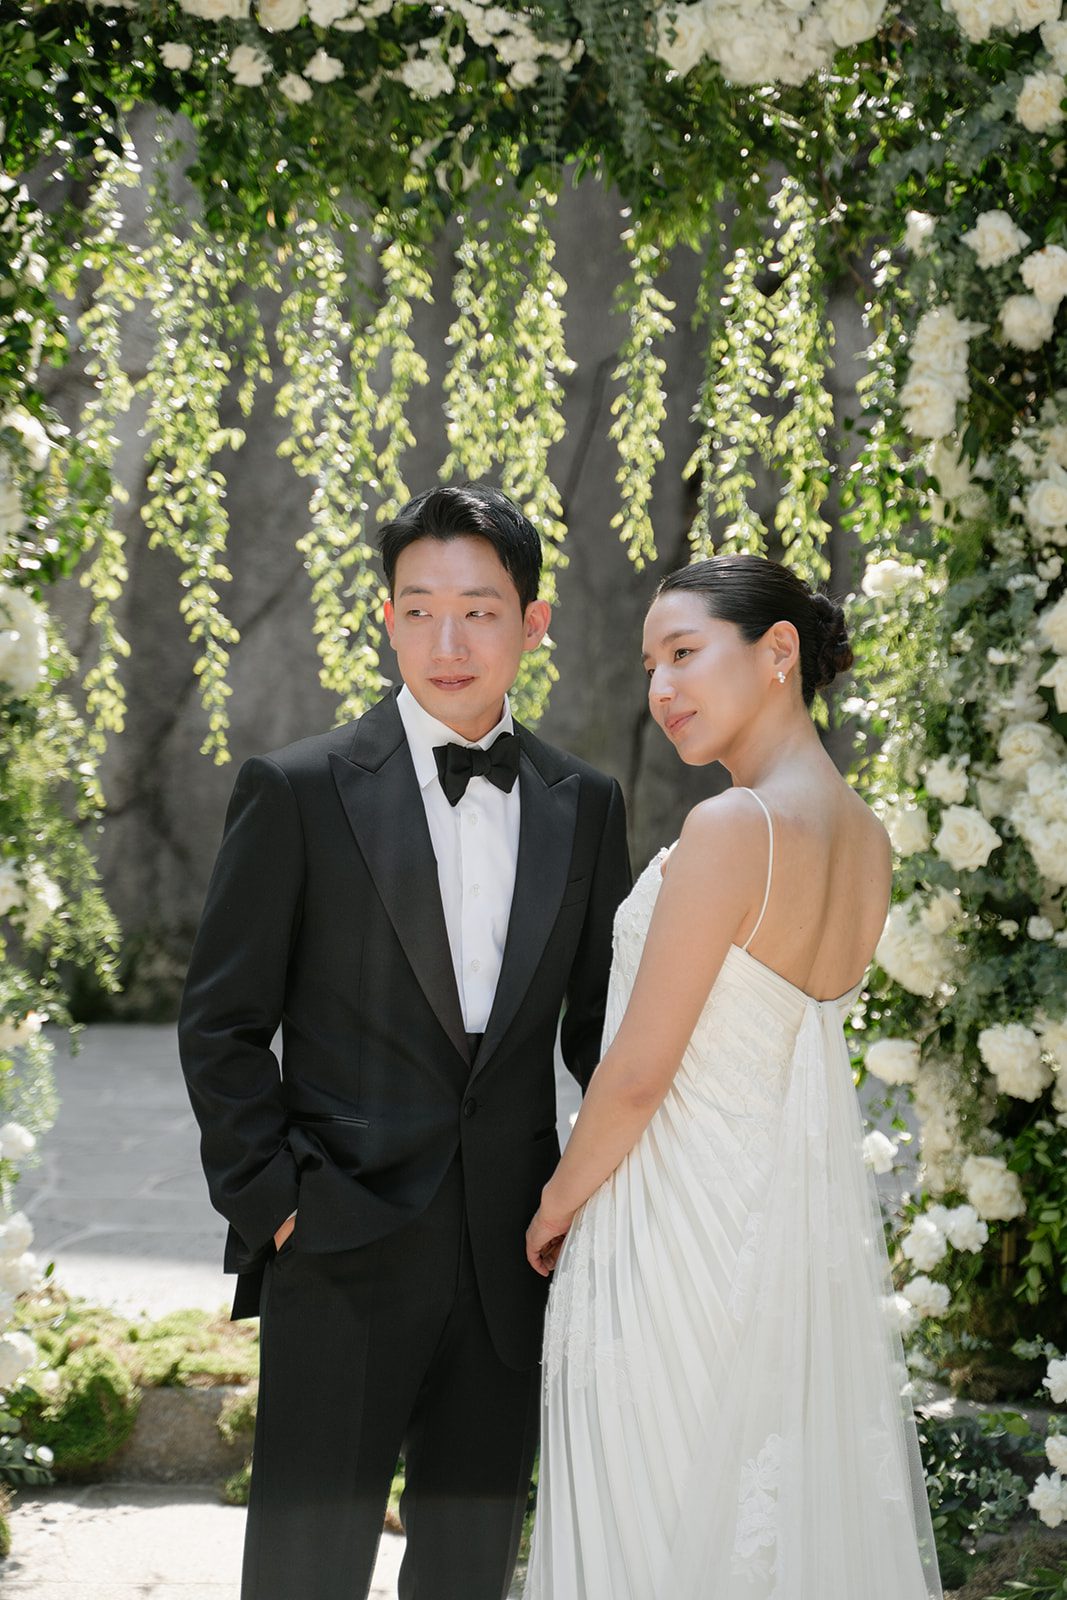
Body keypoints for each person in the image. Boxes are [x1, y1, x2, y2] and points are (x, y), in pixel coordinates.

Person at [177, 483, 631, 1600]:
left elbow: (603, 1031)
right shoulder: (295, 789)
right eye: (418, 608)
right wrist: (277, 1202)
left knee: (469, 1570)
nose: (447, 640)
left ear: (531, 623)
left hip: (509, 1254)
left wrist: (604, 1196)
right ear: (386, 620)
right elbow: (223, 1022)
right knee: (303, 1569)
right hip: (337, 1243)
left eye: (478, 610)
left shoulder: (586, 802)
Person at [523, 554, 942, 1600]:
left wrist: (554, 1202)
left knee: (653, 1527)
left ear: (776, 653)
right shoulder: (867, 838)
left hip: (671, 1235)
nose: (660, 687)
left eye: (683, 652)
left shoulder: (731, 829)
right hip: (775, 1237)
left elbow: (634, 1075)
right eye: (648, 663)